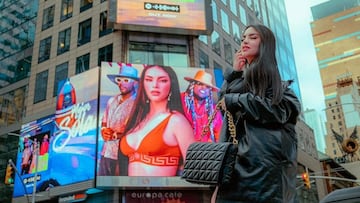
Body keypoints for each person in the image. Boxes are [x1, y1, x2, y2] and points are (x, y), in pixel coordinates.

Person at [214, 24, 301, 202]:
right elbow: (225, 108)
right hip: (235, 168)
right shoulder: (240, 80)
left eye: (253, 37)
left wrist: (235, 100)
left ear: (265, 44)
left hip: (262, 171)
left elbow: (278, 108)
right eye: (244, 38)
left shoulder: (274, 80)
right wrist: (234, 73)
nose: (245, 41)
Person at [120, 65, 195, 176]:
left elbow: (195, 167)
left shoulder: (176, 121)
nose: (155, 85)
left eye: (163, 80)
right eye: (149, 80)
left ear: (171, 85)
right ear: (143, 84)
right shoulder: (137, 120)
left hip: (164, 192)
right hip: (130, 191)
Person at [98, 65, 139, 176]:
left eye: (126, 80)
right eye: (119, 80)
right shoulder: (111, 100)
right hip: (106, 153)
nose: (121, 83)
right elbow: (104, 121)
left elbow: (138, 130)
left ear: (134, 82)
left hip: (124, 155)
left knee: (121, 187)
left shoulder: (137, 104)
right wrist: (103, 130)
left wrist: (116, 135)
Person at [181, 70, 223, 142]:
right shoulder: (181, 100)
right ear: (192, 85)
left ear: (210, 90)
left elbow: (219, 134)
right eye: (200, 84)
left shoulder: (213, 110)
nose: (203, 88)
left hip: (205, 150)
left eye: (207, 86)